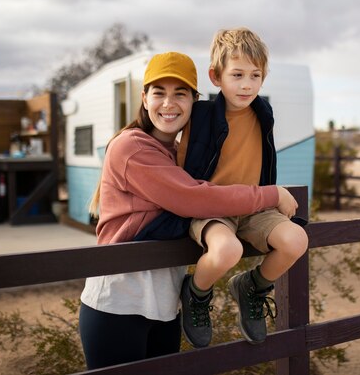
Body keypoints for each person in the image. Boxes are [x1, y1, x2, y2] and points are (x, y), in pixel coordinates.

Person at [78, 51, 299, 369]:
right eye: (159, 93)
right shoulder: (132, 146)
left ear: (194, 101)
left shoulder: (182, 154)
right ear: (144, 98)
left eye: (180, 94)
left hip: (165, 305)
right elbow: (194, 199)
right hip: (119, 303)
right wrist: (270, 194)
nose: (168, 104)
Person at [176, 28, 309, 348]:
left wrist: (272, 194)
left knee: (296, 240)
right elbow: (180, 164)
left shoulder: (264, 113)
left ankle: (252, 286)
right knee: (226, 250)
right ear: (216, 76)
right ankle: (196, 293)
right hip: (213, 209)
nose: (247, 84)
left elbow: (263, 159)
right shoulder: (200, 114)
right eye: (236, 74)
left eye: (255, 75)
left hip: (254, 208)